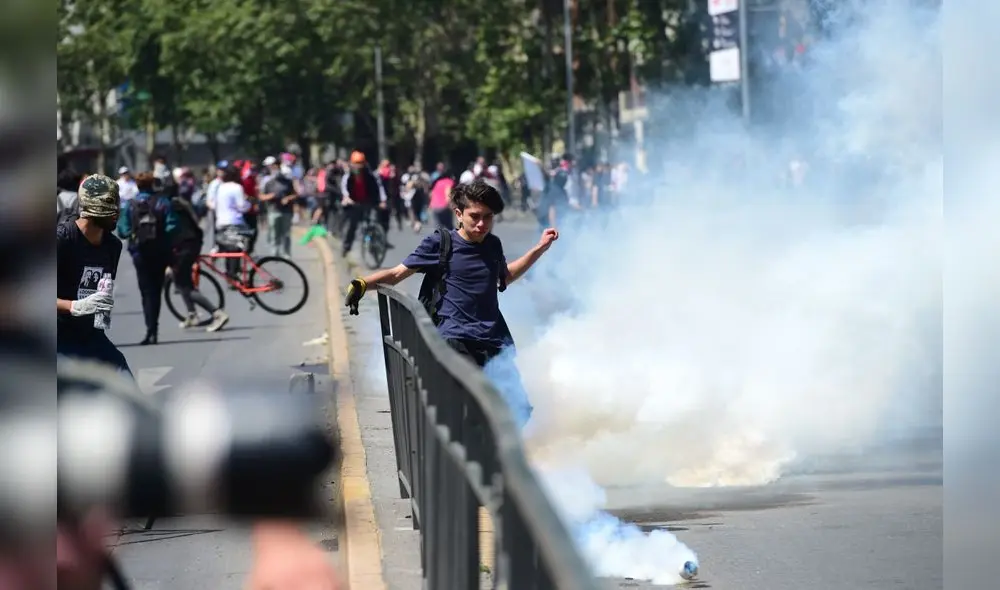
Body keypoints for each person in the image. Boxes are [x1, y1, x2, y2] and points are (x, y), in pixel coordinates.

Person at [343, 179, 559, 428]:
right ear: (458, 214)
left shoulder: (492, 245)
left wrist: (539, 249)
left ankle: (486, 460)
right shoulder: (440, 244)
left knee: (518, 411)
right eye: (475, 216)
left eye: (488, 217)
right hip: (455, 339)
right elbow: (396, 274)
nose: (481, 224)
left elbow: (505, 276)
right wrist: (361, 284)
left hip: (492, 339)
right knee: (474, 407)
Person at [56, 174, 133, 375]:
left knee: (124, 383)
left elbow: (103, 288)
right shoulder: (62, 240)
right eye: (110, 208)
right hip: (57, 339)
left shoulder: (112, 246)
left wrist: (101, 309)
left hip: (91, 337)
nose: (116, 213)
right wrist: (74, 306)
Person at [117, 172, 173, 345]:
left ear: (138, 186)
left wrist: (136, 234)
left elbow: (122, 231)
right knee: (157, 291)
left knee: (145, 291)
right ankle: (154, 329)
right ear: (152, 185)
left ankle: (149, 329)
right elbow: (172, 226)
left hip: (139, 253)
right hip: (160, 252)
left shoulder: (130, 205)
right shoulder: (163, 202)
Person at [168, 182, 230, 331]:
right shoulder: (179, 202)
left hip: (184, 247)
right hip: (193, 242)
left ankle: (217, 313)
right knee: (182, 281)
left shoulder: (169, 206)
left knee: (185, 285)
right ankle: (192, 314)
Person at [339, 150, 388, 257]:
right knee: (353, 224)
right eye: (356, 164)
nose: (358, 166)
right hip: (354, 202)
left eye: (360, 163)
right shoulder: (348, 176)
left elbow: (379, 188)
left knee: (376, 220)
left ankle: (377, 241)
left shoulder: (370, 175)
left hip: (369, 201)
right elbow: (344, 188)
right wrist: (347, 198)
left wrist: (382, 201)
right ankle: (346, 247)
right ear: (351, 164)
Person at [214, 165, 253, 281]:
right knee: (237, 249)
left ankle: (229, 273)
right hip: (235, 222)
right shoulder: (237, 188)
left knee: (228, 250)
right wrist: (249, 204)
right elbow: (242, 206)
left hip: (221, 222)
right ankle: (234, 273)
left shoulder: (220, 187)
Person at [260, 156, 297, 258]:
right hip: (273, 210)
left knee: (286, 233)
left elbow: (295, 194)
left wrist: (288, 199)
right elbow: (261, 196)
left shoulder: (287, 182)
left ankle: (286, 253)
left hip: (287, 211)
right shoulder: (269, 183)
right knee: (274, 233)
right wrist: (270, 196)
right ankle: (274, 253)